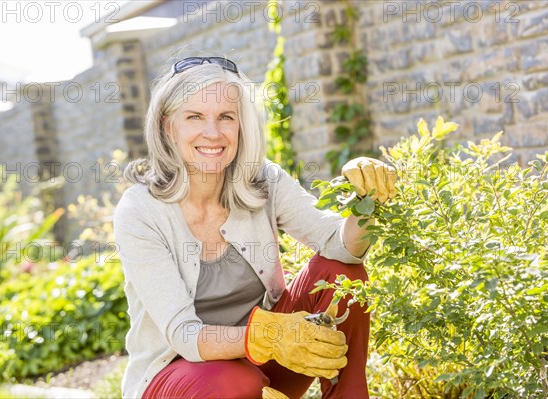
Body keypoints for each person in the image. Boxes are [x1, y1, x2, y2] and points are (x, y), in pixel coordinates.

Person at [113, 56, 396, 399]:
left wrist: (368, 201)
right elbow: (185, 335)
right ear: (167, 126)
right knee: (234, 382)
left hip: (265, 367)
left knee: (341, 275)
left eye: (226, 117)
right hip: (182, 381)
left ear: (241, 125)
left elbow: (338, 245)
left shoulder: (263, 180)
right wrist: (267, 335)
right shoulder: (140, 211)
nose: (213, 133)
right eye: (195, 117)